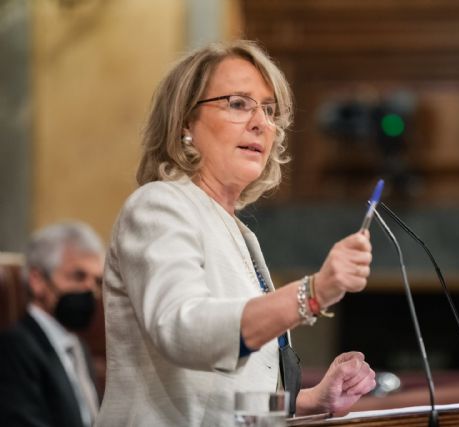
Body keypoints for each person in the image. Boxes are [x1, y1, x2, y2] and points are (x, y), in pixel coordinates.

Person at [96, 40, 376, 426]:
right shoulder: (158, 206)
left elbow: (225, 395)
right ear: (185, 123)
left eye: (269, 109)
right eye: (238, 104)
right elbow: (184, 331)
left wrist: (309, 400)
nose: (261, 123)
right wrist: (312, 293)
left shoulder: (239, 233)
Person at [0, 221, 104, 427]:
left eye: (97, 281)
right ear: (37, 281)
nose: (91, 290)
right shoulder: (13, 347)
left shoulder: (78, 346)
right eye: (78, 276)